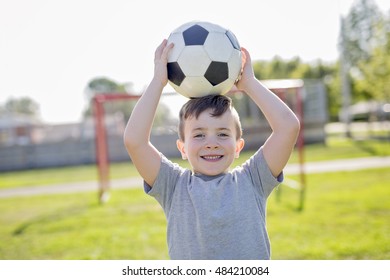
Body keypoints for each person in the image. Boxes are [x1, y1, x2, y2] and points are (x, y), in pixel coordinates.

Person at [123, 39, 300, 259]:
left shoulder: (254, 179)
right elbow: (134, 141)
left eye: (223, 134)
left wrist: (250, 84)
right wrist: (158, 82)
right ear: (183, 148)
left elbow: (288, 127)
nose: (212, 142)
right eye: (199, 134)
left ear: (238, 146)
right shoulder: (173, 186)